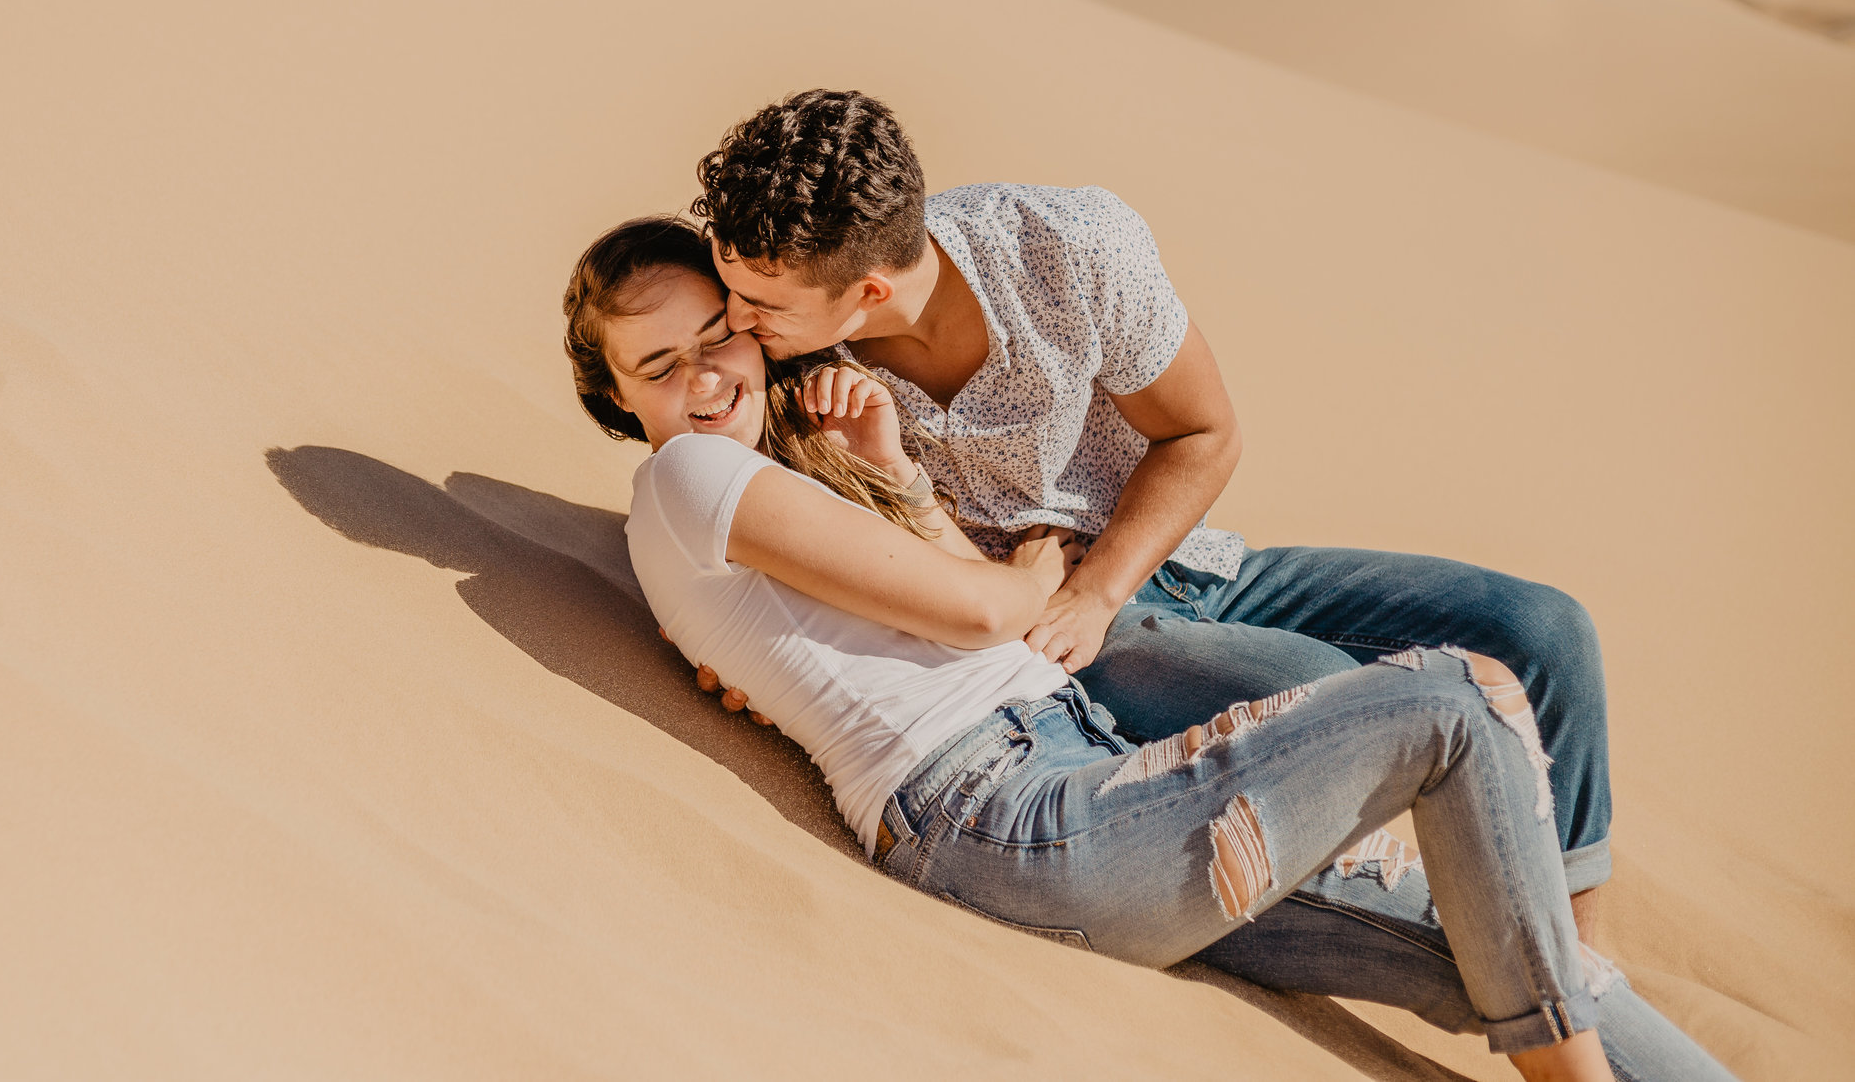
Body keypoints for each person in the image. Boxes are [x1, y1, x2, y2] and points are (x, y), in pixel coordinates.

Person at [561, 217, 1725, 1082]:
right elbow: (981, 614)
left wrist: (903, 476)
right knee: (1450, 710)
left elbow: (944, 604)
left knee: (1512, 946)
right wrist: (1038, 554)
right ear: (615, 400)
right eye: (657, 367)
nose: (706, 374)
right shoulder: (687, 474)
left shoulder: (775, 468)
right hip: (1001, 807)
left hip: (1076, 777)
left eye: (719, 335)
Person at [690, 88, 1616, 941]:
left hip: (1170, 560)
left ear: (870, 292)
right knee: (1316, 683)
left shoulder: (1071, 248)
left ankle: (1574, 952)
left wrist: (1096, 588)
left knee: (1544, 629)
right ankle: (1522, 962)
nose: (731, 318)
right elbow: (744, 549)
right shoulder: (767, 376)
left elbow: (1203, 433)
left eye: (760, 302)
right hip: (1032, 643)